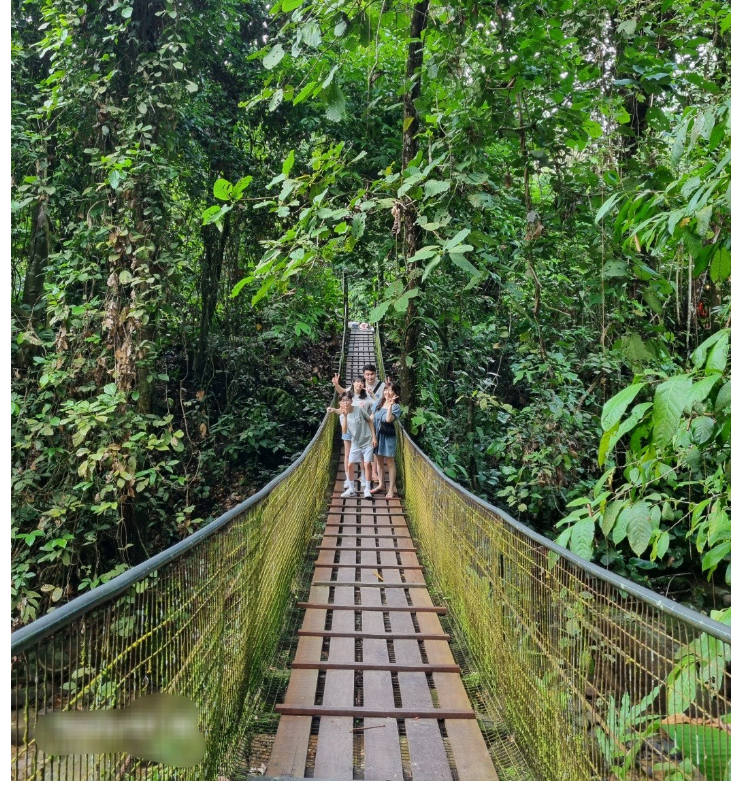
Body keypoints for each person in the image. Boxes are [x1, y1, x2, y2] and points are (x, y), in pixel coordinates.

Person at [329, 375, 376, 491]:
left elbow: (377, 404)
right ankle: (348, 478)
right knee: (347, 452)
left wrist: (372, 414)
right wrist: (336, 385)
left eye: (362, 382)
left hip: (361, 429)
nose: (360, 384)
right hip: (347, 426)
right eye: (357, 382)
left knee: (362, 454)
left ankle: (363, 477)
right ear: (353, 383)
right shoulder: (348, 394)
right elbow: (341, 395)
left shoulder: (366, 396)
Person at [340, 393, 377, 499]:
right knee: (350, 464)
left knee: (367, 464)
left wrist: (374, 437)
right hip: (356, 443)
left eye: (347, 400)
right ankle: (351, 489)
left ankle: (367, 489)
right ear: (340, 403)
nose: (345, 402)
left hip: (367, 440)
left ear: (351, 401)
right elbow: (344, 431)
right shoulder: (342, 416)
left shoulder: (359, 410)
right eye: (343, 401)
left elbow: (370, 421)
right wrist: (345, 417)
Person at [371, 382, 402, 499]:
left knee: (390, 463)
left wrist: (390, 405)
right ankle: (381, 485)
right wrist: (372, 436)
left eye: (390, 390)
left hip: (388, 437)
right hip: (377, 436)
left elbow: (388, 419)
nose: (387, 392)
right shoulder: (378, 403)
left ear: (395, 393)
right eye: (385, 390)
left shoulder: (396, 407)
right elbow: (372, 419)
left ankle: (391, 489)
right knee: (379, 462)